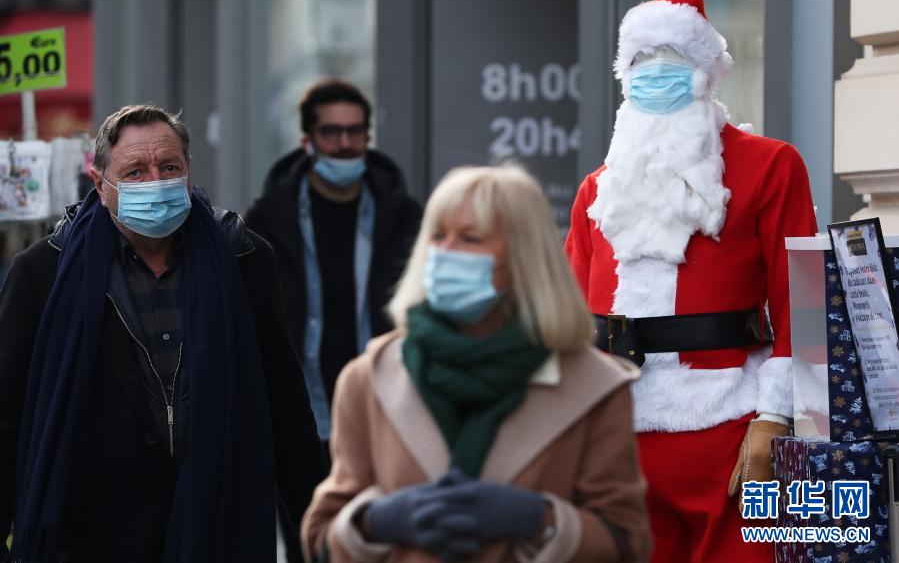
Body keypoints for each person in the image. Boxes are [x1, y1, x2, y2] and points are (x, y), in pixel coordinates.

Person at [0, 104, 328, 562]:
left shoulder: (243, 260)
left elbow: (285, 405)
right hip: (93, 536)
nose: (155, 181)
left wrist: (322, 531)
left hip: (218, 524)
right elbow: (7, 416)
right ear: (100, 184)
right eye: (135, 171)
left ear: (188, 172)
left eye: (169, 167)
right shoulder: (44, 272)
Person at [564, 0, 818, 562]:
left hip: (730, 429)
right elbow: (566, 319)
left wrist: (776, 416)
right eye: (642, 61)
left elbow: (801, 301)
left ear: (706, 71)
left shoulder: (771, 165)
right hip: (616, 444)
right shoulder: (596, 191)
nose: (656, 73)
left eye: (673, 59)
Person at [302, 164, 652, 562]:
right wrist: (376, 522)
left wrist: (538, 519)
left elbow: (628, 543)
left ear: (523, 259)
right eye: (437, 235)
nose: (445, 252)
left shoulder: (593, 388)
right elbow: (319, 536)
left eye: (470, 238)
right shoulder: (370, 378)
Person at [245, 78, 422, 450]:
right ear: (307, 141)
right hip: (300, 414)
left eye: (355, 131)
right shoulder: (268, 220)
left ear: (368, 136)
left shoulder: (404, 218)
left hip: (387, 408)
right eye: (331, 132)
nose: (345, 144)